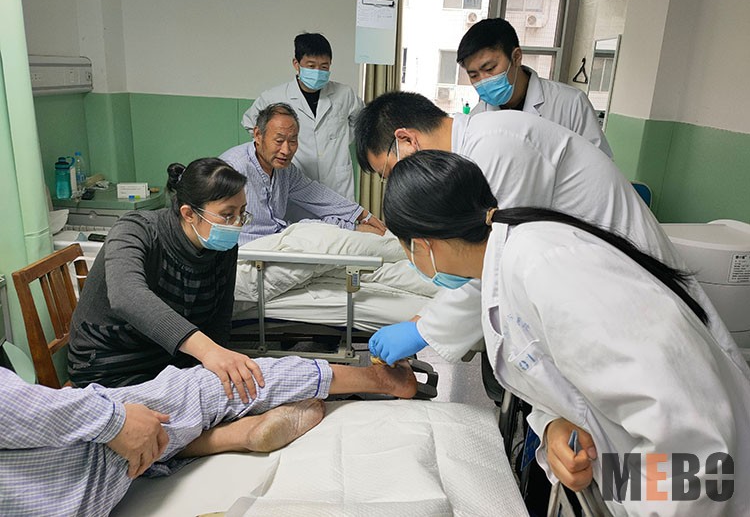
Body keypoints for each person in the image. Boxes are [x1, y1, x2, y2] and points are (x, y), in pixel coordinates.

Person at [373, 150, 750, 516]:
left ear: (422, 245)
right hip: (631, 477)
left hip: (699, 494)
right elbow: (555, 382)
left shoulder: (546, 269)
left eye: (405, 248)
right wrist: (554, 427)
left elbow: (689, 433)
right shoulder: (510, 263)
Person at [0, 357, 417, 516]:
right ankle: (379, 378)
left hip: (65, 500)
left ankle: (234, 436)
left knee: (148, 448)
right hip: (86, 445)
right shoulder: (137, 235)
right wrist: (112, 421)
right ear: (187, 212)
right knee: (209, 387)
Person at [68, 157, 265, 397]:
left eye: (242, 213)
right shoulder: (136, 230)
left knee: (247, 391)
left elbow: (219, 318)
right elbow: (127, 296)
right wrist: (207, 351)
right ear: (189, 213)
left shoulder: (222, 247)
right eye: (227, 215)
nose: (237, 224)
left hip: (171, 362)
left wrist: (217, 365)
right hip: (111, 367)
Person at [241, 32, 364, 222]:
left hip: (336, 184)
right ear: (296, 64)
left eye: (324, 67)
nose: (318, 71)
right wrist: (278, 149)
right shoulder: (274, 96)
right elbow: (250, 122)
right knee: (299, 233)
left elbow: (361, 121)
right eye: (311, 66)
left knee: (340, 234)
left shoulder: (344, 94)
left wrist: (340, 140)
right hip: (297, 184)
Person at [224, 102, 384, 245]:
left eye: (292, 141)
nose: (286, 150)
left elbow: (318, 196)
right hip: (249, 248)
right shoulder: (233, 168)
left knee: (322, 227)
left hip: (278, 240)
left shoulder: (285, 171)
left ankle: (365, 234)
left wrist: (362, 215)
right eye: (279, 141)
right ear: (258, 135)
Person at [457, 17, 613, 158]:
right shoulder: (476, 118)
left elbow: (600, 164)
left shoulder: (570, 104)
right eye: (474, 75)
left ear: (516, 57)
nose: (483, 80)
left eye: (490, 68)